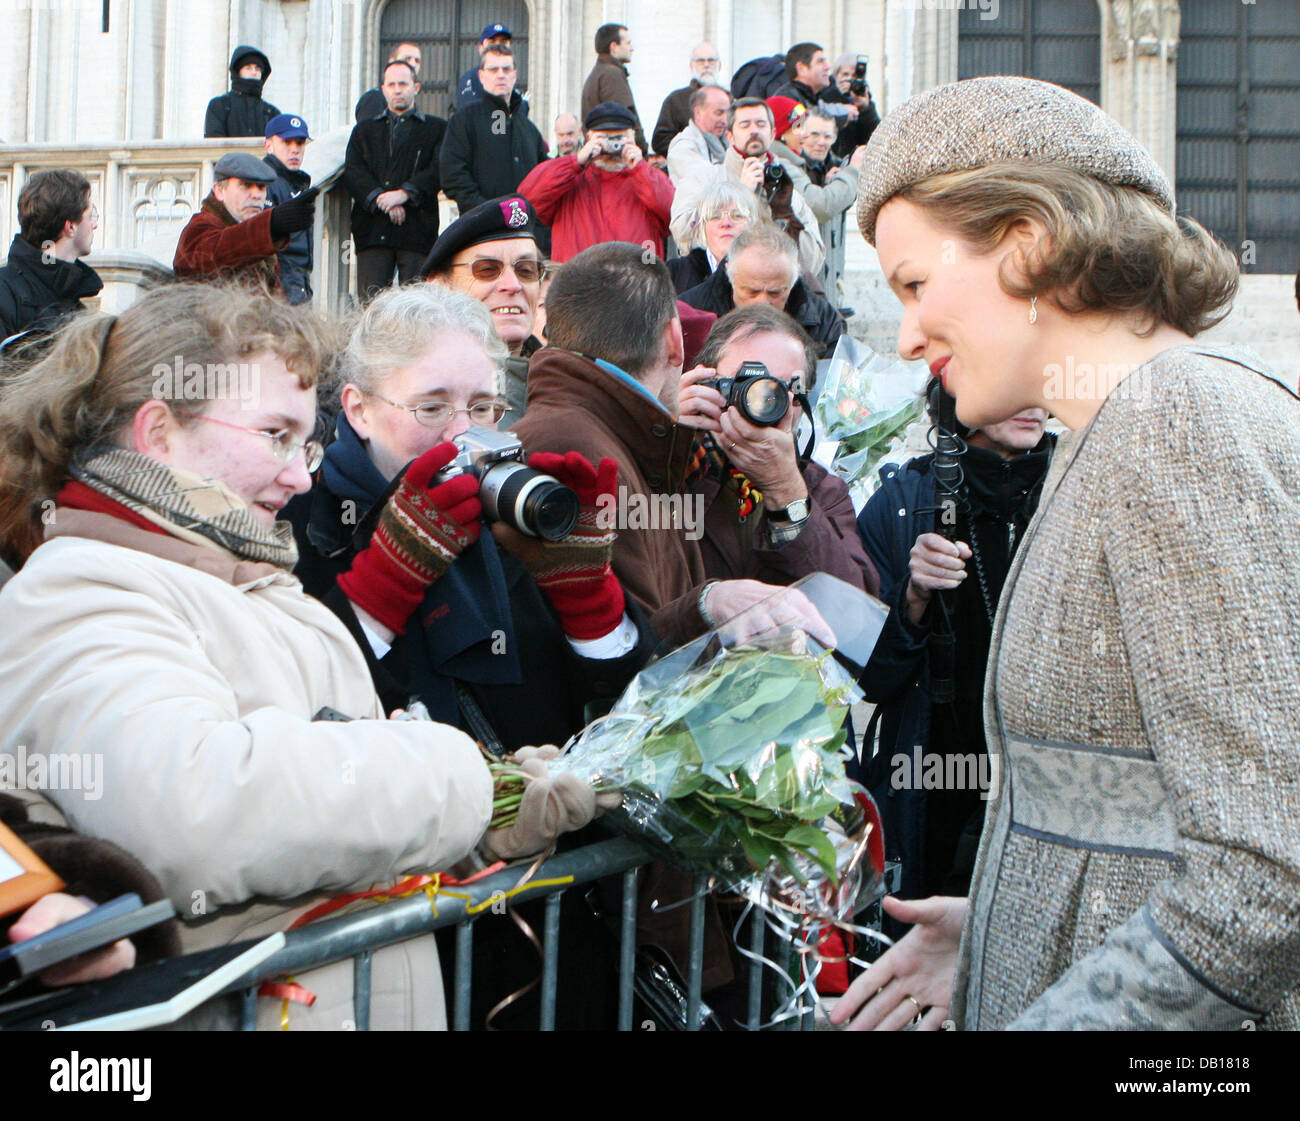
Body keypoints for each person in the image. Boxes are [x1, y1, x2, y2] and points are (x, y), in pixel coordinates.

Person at [831, 76, 1300, 1032]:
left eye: (916, 284)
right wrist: (1005, 926)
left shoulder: (1177, 420)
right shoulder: (1113, 428)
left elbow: (1266, 871)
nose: (909, 331)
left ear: (1031, 243)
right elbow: (1135, 816)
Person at [0, 283, 596, 1030]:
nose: (300, 474)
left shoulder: (253, 582)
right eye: (275, 434)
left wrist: (488, 818)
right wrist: (455, 778)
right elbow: (201, 811)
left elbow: (332, 803)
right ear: (158, 432)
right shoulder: (78, 592)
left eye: (305, 442)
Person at [855, 385, 1053, 904]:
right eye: (1017, 382)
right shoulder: (905, 501)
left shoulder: (1076, 490)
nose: (1033, 400)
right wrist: (913, 597)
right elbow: (868, 677)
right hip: (934, 797)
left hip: (1050, 793)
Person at [677, 304, 877, 594]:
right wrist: (664, 443)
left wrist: (786, 490)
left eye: (779, 389)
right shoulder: (680, 464)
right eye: (744, 383)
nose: (760, 400)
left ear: (800, 403)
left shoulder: (822, 490)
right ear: (708, 384)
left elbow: (850, 608)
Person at [422, 195, 547, 424]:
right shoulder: (412, 389)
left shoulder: (565, 384)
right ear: (439, 286)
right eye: (487, 269)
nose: (513, 285)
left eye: (526, 269)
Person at [669, 97, 823, 278]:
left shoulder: (787, 188)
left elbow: (813, 261)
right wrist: (741, 193)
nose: (754, 131)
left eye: (760, 124)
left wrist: (784, 215)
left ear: (773, 134)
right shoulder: (703, 179)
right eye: (745, 125)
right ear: (730, 136)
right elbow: (683, 235)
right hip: (714, 290)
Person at [517, 102, 672, 263]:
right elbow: (528, 201)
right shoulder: (569, 178)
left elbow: (672, 216)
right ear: (589, 138)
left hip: (634, 284)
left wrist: (640, 169)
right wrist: (575, 162)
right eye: (604, 138)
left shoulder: (646, 178)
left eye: (619, 137)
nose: (612, 147)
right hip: (579, 285)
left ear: (633, 138)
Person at [344, 60, 446, 296]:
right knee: (371, 305)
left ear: (416, 87)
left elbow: (438, 170)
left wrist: (405, 194)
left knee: (418, 305)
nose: (397, 89)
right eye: (391, 84)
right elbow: (354, 171)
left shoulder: (436, 129)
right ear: (383, 89)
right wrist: (381, 199)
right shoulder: (364, 131)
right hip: (372, 230)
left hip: (417, 230)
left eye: (403, 83)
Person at [679, 224, 844, 358]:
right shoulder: (689, 313)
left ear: (793, 280)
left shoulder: (824, 321)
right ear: (730, 275)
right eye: (751, 292)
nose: (763, 302)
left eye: (775, 293)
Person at [173, 152, 317, 295]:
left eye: (261, 187)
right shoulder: (201, 226)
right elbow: (211, 257)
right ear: (219, 191)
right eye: (245, 186)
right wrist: (271, 225)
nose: (256, 195)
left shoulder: (260, 241)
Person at [438, 44, 547, 216]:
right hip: (482, 228)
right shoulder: (465, 119)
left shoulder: (528, 129)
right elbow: (452, 173)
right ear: (481, 76)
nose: (501, 75)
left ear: (515, 75)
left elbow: (544, 177)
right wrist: (486, 212)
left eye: (506, 69)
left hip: (526, 229)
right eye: (493, 69)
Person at [0, 170, 102, 343]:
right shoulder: (4, 292)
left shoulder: (77, 308)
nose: (95, 224)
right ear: (70, 226)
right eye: (90, 215)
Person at [798, 109, 864, 303]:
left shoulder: (836, 165)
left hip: (830, 272)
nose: (821, 142)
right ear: (801, 135)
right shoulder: (794, 166)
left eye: (828, 136)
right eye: (814, 135)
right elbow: (822, 205)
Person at [666, 178, 763, 294]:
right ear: (702, 226)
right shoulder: (674, 273)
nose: (726, 223)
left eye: (737, 215)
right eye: (715, 216)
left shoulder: (767, 271)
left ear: (753, 225)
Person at [262, 113, 315, 306]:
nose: (295, 150)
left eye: (300, 143)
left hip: (297, 278)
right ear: (269, 145)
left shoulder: (294, 183)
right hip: (280, 280)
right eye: (287, 142)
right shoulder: (265, 181)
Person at [580, 23, 647, 155]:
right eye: (627, 43)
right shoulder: (612, 75)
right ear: (614, 47)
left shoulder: (599, 73)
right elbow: (625, 120)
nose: (631, 48)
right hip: (616, 159)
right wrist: (641, 150)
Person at [651, 43, 725, 159]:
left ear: (719, 66)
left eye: (711, 61)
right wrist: (689, 153)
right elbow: (660, 141)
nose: (706, 65)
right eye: (701, 61)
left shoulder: (728, 99)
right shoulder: (676, 100)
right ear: (691, 66)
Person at [204, 45, 279, 138]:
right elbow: (214, 142)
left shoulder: (271, 112)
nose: (254, 72)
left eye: (258, 68)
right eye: (248, 68)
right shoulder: (220, 106)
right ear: (238, 72)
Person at [665, 85, 731, 190]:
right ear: (698, 113)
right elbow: (706, 183)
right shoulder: (682, 147)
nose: (725, 120)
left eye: (728, 113)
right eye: (719, 113)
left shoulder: (729, 141)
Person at [456, 24, 521, 112]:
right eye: (492, 42)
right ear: (480, 48)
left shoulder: (509, 79)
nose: (498, 46)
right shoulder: (470, 80)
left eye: (504, 42)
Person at [355, 41, 423, 124]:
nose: (413, 64)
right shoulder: (375, 99)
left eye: (417, 61)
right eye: (407, 59)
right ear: (392, 62)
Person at [772, 42, 831, 113]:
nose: (827, 67)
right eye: (820, 62)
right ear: (802, 69)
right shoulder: (788, 98)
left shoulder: (808, 96)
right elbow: (797, 123)